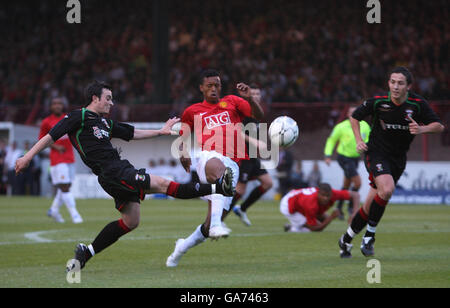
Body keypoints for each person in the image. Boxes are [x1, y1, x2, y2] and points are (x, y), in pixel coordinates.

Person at [15, 80, 235, 272]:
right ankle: (219, 188)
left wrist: (160, 131)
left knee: (131, 221)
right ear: (95, 98)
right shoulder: (78, 116)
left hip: (116, 170)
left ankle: (86, 252)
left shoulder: (105, 122)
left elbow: (132, 133)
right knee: (162, 184)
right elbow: (50, 137)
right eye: (108, 99)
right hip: (113, 172)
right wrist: (26, 157)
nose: (112, 103)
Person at [338, 67, 444, 258]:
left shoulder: (418, 104)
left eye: (400, 83)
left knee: (369, 206)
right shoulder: (378, 102)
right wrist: (359, 140)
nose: (395, 86)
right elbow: (354, 117)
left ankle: (345, 240)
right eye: (392, 82)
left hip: (398, 159)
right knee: (387, 189)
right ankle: (369, 236)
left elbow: (439, 126)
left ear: (408, 86)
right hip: (376, 154)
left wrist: (422, 129)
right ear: (388, 83)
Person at [166, 69, 264, 267]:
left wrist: (250, 100)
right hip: (208, 158)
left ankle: (181, 247)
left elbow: (258, 116)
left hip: (233, 165)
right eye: (209, 85)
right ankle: (218, 225)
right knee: (220, 173)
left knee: (208, 225)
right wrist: (183, 152)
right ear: (201, 88)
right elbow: (183, 136)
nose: (213, 89)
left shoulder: (233, 102)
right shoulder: (192, 111)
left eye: (216, 85)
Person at [227, 86, 273, 227]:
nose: (255, 96)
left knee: (267, 183)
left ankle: (242, 209)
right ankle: (218, 220)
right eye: (252, 93)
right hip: (242, 156)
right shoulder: (244, 112)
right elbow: (236, 131)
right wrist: (254, 141)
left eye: (258, 93)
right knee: (240, 190)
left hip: (253, 156)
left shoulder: (256, 113)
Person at [40, 97, 82, 223]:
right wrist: (55, 146)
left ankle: (53, 210)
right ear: (51, 106)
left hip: (70, 158)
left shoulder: (68, 118)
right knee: (64, 187)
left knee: (66, 186)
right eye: (54, 103)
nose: (57, 105)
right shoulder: (46, 122)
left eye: (59, 103)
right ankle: (75, 214)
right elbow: (41, 140)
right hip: (57, 160)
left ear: (63, 105)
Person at [324, 106, 371, 220]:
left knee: (346, 185)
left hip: (355, 159)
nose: (353, 114)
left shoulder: (364, 126)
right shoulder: (341, 127)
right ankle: (350, 207)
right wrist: (328, 155)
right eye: (351, 113)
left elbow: (370, 140)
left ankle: (338, 208)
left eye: (356, 112)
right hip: (344, 158)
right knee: (358, 183)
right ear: (347, 115)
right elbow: (331, 140)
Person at [280, 183, 360, 233]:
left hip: (299, 199)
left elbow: (355, 195)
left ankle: (295, 226)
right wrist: (331, 217)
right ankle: (292, 228)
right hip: (287, 204)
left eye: (327, 196)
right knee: (308, 231)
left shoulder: (334, 194)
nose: (325, 198)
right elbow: (315, 229)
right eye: (323, 195)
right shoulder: (311, 205)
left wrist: (354, 214)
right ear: (318, 194)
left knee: (323, 219)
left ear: (331, 194)